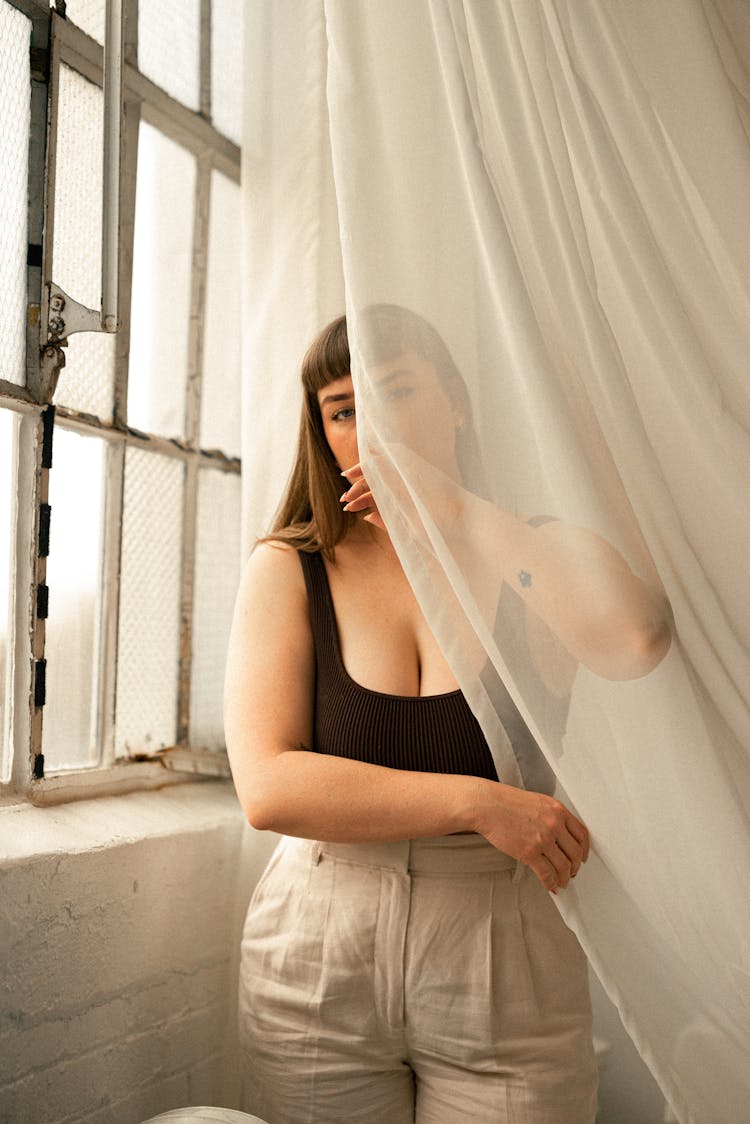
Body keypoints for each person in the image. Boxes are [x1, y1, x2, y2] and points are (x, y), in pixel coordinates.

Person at [224, 305, 672, 1123]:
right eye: (344, 411)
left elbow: (636, 639)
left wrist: (455, 510)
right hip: (320, 945)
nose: (370, 428)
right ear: (322, 433)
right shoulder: (292, 565)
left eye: (396, 394)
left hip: (501, 952)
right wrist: (476, 800)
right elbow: (268, 788)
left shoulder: (526, 547)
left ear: (457, 402)